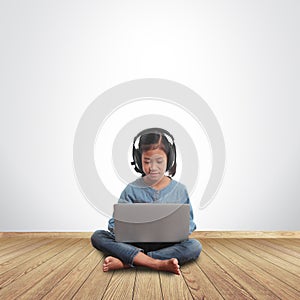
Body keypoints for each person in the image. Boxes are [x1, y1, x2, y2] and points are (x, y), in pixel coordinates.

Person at [91, 128, 202, 275]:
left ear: (170, 159)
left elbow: (189, 223)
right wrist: (126, 227)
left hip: (167, 245)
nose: (153, 167)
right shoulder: (131, 189)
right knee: (98, 236)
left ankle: (129, 262)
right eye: (147, 161)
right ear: (138, 160)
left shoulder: (180, 190)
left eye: (159, 161)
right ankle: (157, 263)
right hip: (133, 243)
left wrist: (178, 230)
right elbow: (113, 224)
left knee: (194, 246)